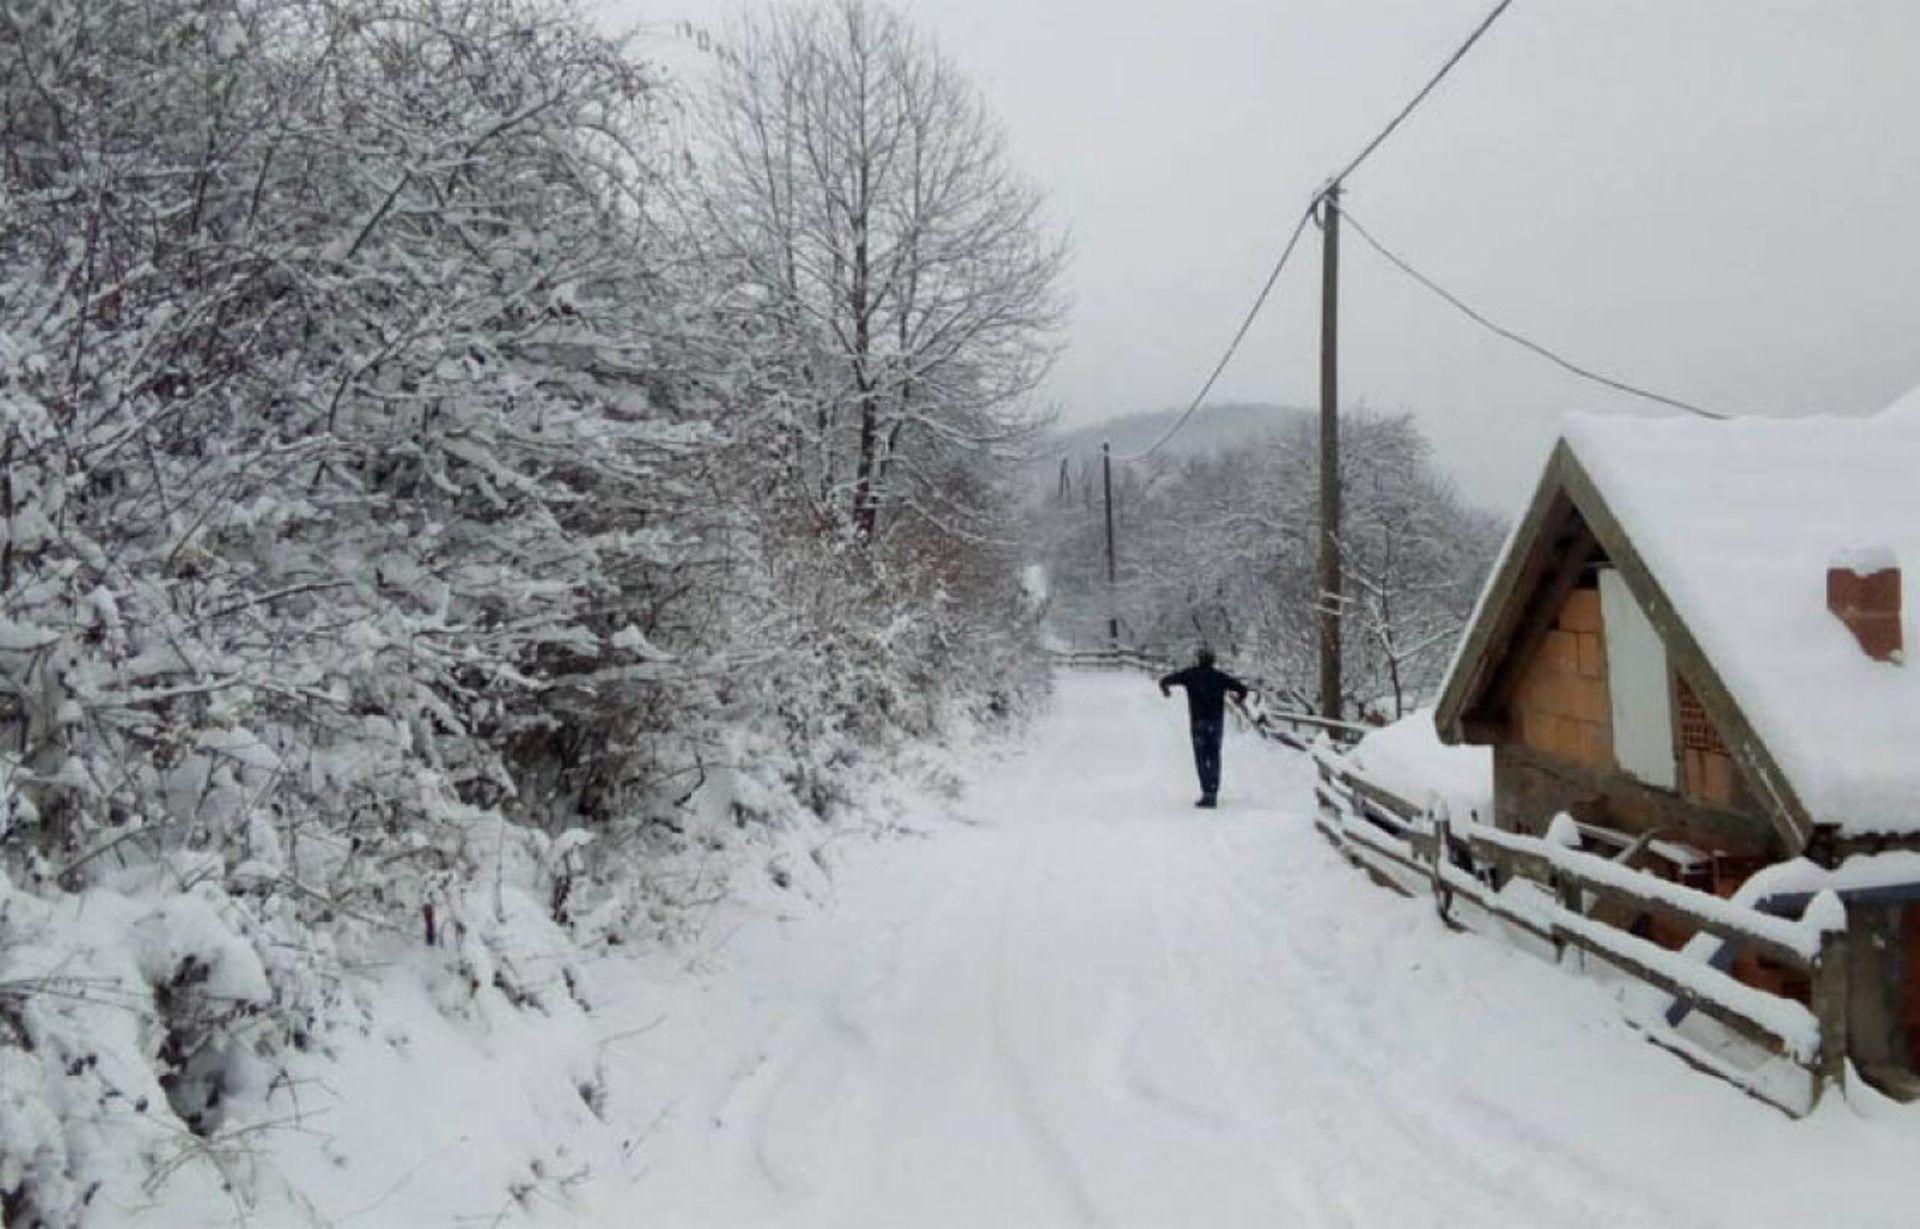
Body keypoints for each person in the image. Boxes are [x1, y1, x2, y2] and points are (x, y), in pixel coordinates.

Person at [1158, 648, 1250, 808]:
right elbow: (1242, 689)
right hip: (1216, 721)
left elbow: (1165, 680)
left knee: (1201, 757)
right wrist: (1237, 700)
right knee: (1214, 755)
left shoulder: (1190, 675)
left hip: (1198, 721)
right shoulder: (1219, 677)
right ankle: (1213, 792)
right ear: (1213, 661)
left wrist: (1166, 691)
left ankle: (1206, 792)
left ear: (1198, 660)